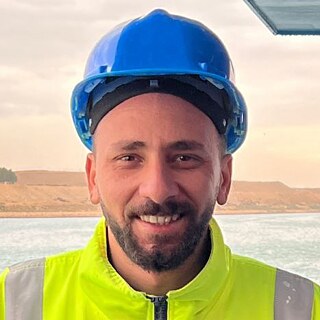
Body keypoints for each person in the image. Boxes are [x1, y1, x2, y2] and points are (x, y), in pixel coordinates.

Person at [0, 9, 319, 320]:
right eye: (129, 158)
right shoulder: (13, 303)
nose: (157, 189)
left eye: (184, 158)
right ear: (93, 177)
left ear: (223, 177)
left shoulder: (302, 309)